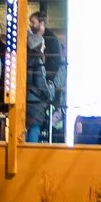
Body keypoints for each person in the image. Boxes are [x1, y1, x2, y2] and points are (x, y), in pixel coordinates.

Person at [25, 10, 63, 144]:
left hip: (32, 90)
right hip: (38, 93)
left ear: (42, 24)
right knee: (34, 126)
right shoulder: (37, 52)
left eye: (33, 22)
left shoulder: (48, 40)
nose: (31, 25)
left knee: (29, 127)